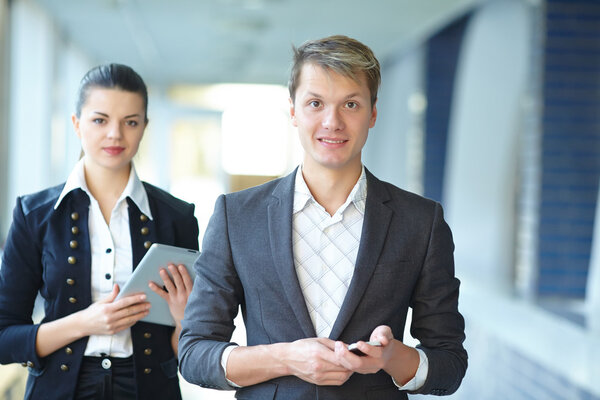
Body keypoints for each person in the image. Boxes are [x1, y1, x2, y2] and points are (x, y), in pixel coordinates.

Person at [178, 35, 467, 399]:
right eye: (315, 103)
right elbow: (194, 355)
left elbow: (449, 366)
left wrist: (391, 357)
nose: (332, 122)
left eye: (350, 104)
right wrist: (284, 358)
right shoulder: (237, 217)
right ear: (294, 111)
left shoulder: (421, 222)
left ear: (373, 113)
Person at [0, 63, 199, 400]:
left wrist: (184, 321)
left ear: (144, 127)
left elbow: (192, 353)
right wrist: (86, 323)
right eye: (100, 120)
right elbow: (4, 340)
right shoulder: (34, 214)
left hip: (149, 390)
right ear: (77, 124)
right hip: (58, 389)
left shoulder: (177, 217)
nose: (115, 135)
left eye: (130, 122)